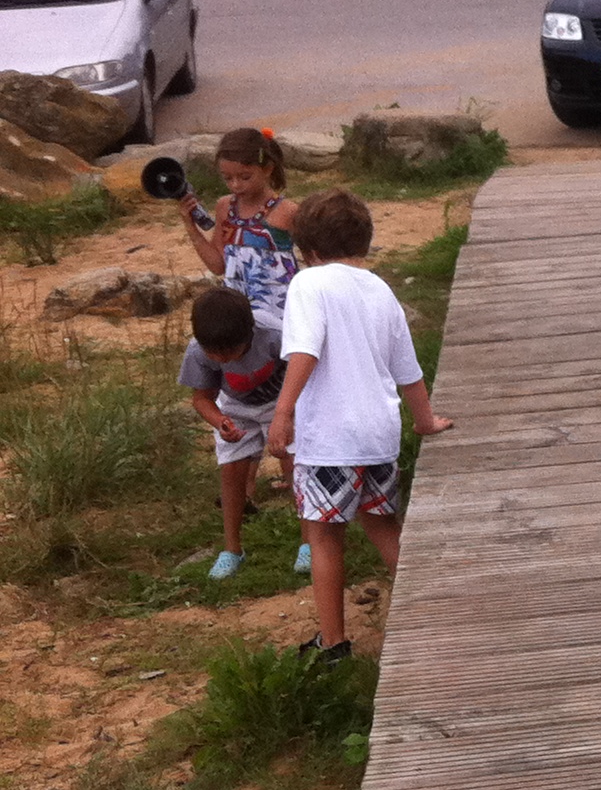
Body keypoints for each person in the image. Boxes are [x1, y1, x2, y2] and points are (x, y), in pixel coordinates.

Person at [272, 189, 451, 661]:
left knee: (324, 537)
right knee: (384, 527)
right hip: (378, 436)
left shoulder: (308, 285)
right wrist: (425, 420)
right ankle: (431, 616)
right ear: (363, 243)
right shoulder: (380, 290)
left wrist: (283, 411)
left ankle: (333, 643)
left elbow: (305, 351)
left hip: (330, 440)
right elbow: (407, 369)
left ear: (307, 251)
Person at [175, 285, 293, 581]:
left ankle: (308, 542)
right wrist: (220, 422)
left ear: (249, 334)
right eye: (215, 354)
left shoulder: (274, 333)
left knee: (294, 463)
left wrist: (285, 416)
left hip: (281, 404)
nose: (224, 360)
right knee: (231, 472)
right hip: (236, 408)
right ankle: (232, 549)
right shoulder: (199, 351)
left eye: (231, 353)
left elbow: (301, 369)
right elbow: (202, 398)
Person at [177, 127, 301, 331]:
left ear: (267, 169)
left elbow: (315, 261)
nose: (235, 185)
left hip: (281, 316)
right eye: (227, 178)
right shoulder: (225, 208)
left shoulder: (287, 212)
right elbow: (218, 266)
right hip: (238, 317)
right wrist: (191, 227)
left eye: (245, 177)